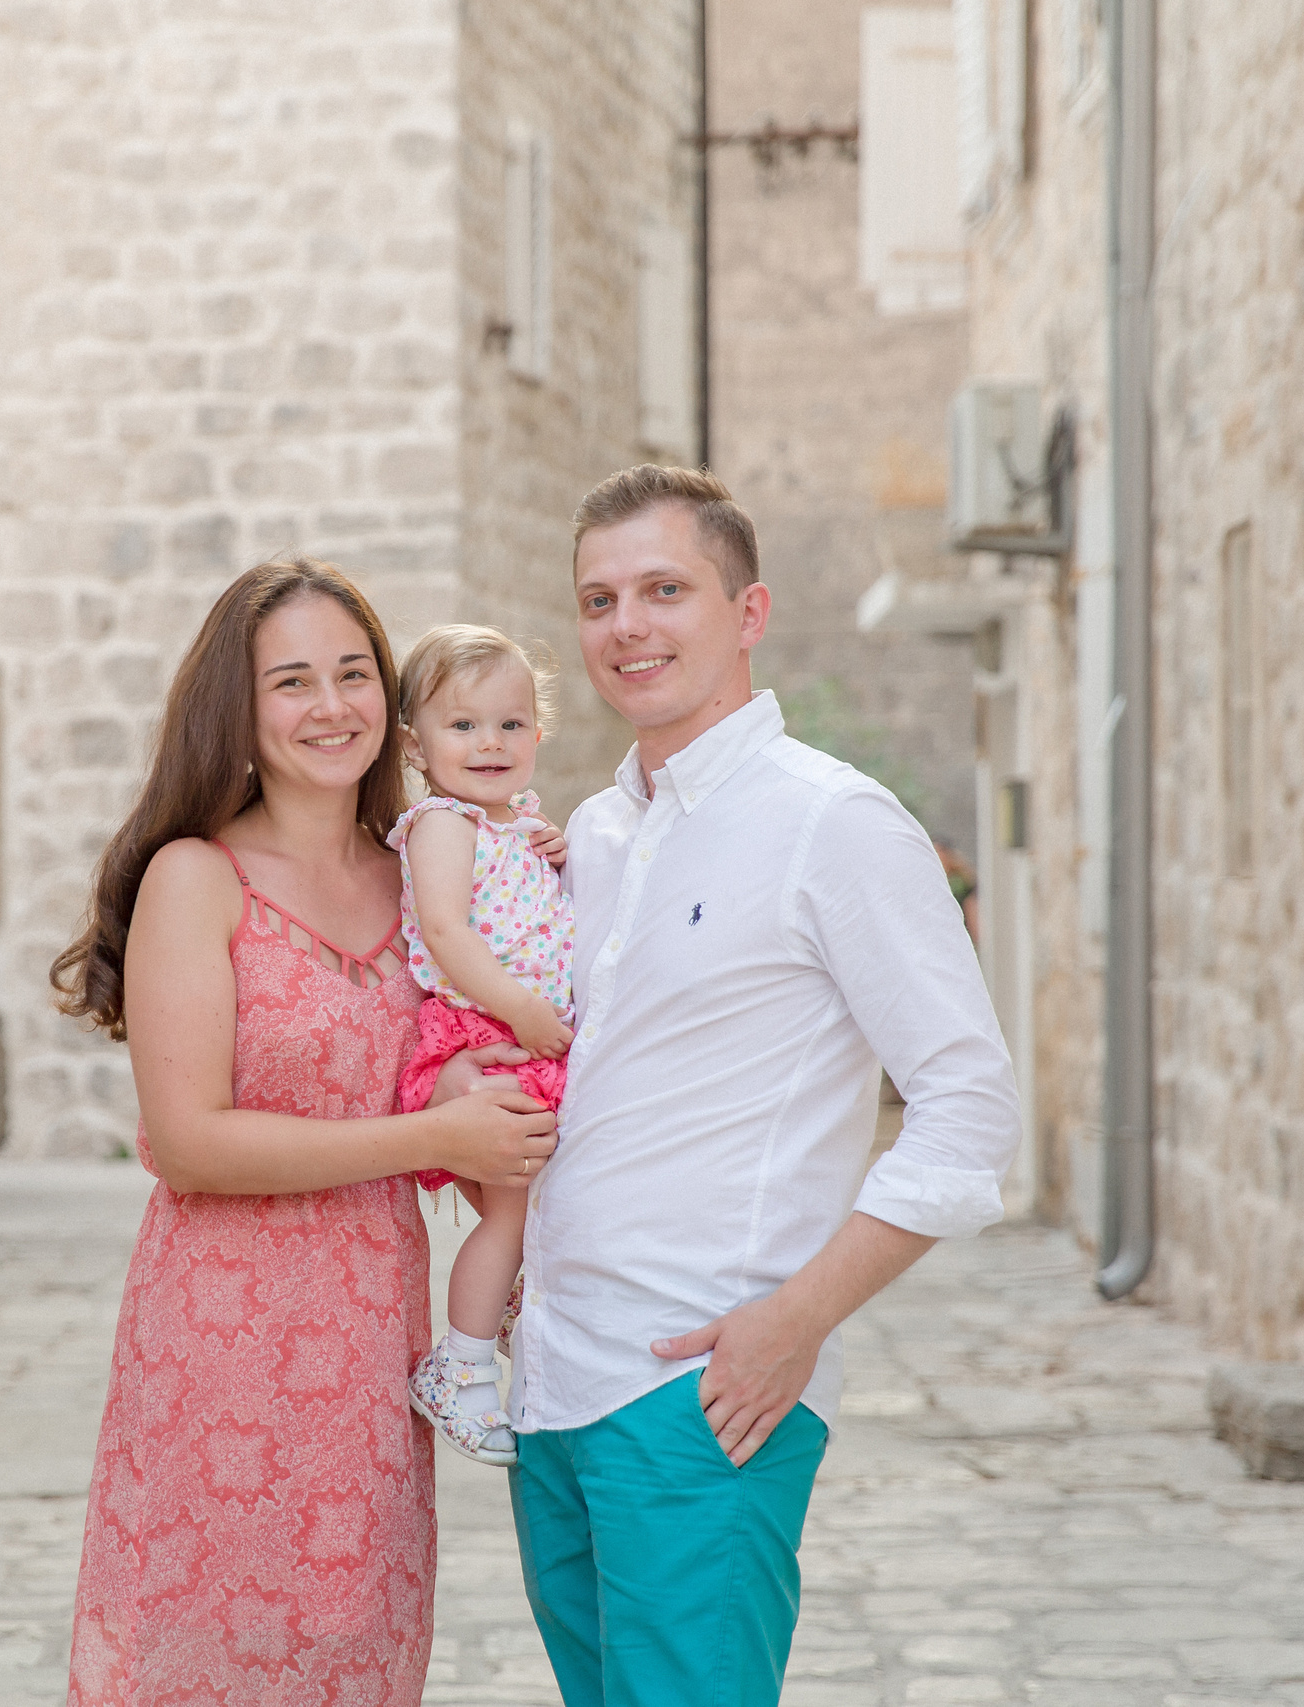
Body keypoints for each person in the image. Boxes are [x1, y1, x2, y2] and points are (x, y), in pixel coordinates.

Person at [437, 466, 1021, 1706]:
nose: (627, 626)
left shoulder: (836, 825)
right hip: (555, 1385)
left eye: (664, 590)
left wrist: (797, 1320)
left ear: (746, 613)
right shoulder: (584, 837)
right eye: (598, 600)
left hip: (702, 1394)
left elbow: (967, 1109)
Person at [53, 557, 560, 1707]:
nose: (330, 707)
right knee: (203, 1650)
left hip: (375, 1332)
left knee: (352, 1643)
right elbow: (189, 1142)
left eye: (352, 674)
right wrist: (423, 1138)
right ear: (238, 708)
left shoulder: (429, 878)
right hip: (220, 1337)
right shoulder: (200, 877)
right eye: (292, 682)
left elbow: (488, 1054)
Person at [386, 625, 576, 1468]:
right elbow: (444, 929)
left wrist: (559, 856)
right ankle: (457, 1367)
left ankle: (502, 1307)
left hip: (524, 1034)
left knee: (540, 1201)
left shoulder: (521, 826)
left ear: (538, 732)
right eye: (462, 726)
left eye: (510, 723)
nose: (489, 743)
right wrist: (520, 1009)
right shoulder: (441, 823)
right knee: (505, 1211)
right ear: (415, 746)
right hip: (485, 1032)